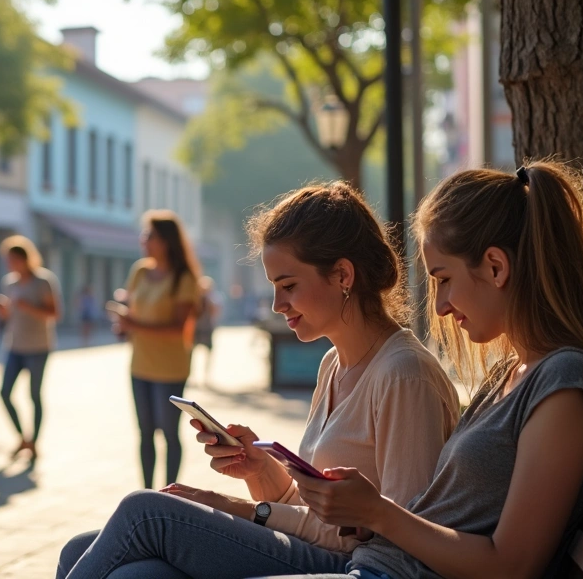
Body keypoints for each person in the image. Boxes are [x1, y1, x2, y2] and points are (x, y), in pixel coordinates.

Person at [58, 183, 461, 578]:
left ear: (342, 275)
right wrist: (261, 472)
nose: (276, 305)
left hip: (354, 565)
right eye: (274, 287)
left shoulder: (403, 375)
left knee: (143, 511)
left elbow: (401, 539)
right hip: (319, 549)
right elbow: (311, 511)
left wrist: (239, 508)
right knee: (95, 555)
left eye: (288, 286)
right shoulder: (333, 364)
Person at [253, 162, 583, 579]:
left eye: (443, 279)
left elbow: (512, 565)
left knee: (156, 520)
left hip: (386, 573)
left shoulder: (565, 382)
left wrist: (378, 512)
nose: (439, 306)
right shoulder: (511, 374)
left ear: (495, 267)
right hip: (376, 567)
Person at [109, 210, 204, 489]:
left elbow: (178, 327)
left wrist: (134, 324)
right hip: (140, 365)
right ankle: (147, 492)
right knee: (145, 432)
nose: (143, 240)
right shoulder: (139, 270)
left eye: (149, 235)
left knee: (169, 433)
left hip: (170, 368)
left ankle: (170, 492)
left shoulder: (183, 278)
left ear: (166, 241)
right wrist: (124, 324)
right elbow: (132, 311)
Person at [0, 236, 62, 460]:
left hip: (38, 346)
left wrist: (27, 306)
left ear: (24, 259)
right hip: (14, 345)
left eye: (12, 259)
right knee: (4, 393)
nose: (9, 264)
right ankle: (23, 438)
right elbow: (9, 314)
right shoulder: (9, 282)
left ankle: (34, 442)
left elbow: (55, 314)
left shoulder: (43, 281)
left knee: (34, 395)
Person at [194, 275, 221, 386]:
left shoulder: (212, 298)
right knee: (192, 352)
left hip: (207, 327)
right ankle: (193, 375)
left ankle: (206, 376)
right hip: (197, 328)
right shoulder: (196, 298)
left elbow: (215, 312)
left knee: (208, 353)